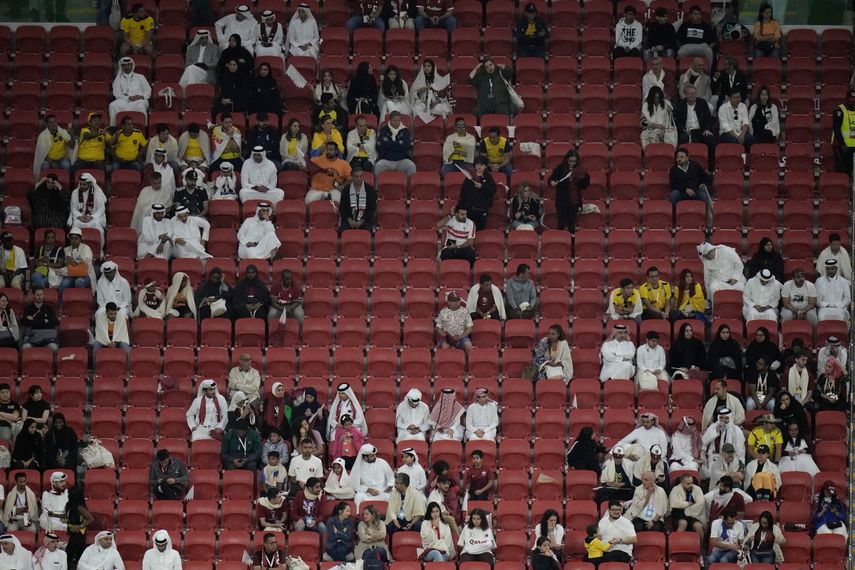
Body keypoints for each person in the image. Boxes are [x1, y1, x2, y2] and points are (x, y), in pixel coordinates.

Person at [548, 149, 589, 233]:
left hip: (574, 200)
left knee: (571, 224)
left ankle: (571, 240)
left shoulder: (579, 170)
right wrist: (552, 182)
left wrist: (584, 178)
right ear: (567, 159)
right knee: (561, 224)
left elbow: (583, 186)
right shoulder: (560, 168)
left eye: (574, 161)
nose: (572, 163)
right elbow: (550, 180)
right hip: (561, 200)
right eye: (570, 161)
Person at [109, 57, 151, 126]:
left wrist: (141, 97)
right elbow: (117, 94)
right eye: (124, 65)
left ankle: (143, 127)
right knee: (113, 105)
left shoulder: (140, 77)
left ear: (132, 65)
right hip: (124, 100)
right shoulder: (118, 79)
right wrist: (128, 98)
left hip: (139, 100)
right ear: (121, 66)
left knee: (141, 105)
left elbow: (148, 90)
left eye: (128, 64)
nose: (126, 67)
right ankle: (113, 128)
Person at [702, 408, 746, 473]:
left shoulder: (736, 430)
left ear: (730, 418)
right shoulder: (713, 427)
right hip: (715, 457)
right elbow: (705, 441)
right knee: (713, 473)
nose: (724, 420)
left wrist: (741, 465)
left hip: (731, 458)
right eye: (721, 418)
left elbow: (740, 451)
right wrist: (716, 430)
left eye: (726, 418)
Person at [384, 472, 426, 539]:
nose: (395, 485)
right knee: (389, 527)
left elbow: (419, 513)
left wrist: (411, 523)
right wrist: (394, 520)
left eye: (397, 483)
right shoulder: (393, 493)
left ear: (403, 485)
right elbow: (391, 509)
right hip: (398, 520)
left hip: (412, 521)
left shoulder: (415, 494)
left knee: (420, 526)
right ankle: (391, 545)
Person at [459, 157, 497, 231]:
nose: (479, 166)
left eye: (481, 165)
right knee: (468, 229)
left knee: (480, 230)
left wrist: (482, 186)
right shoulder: (469, 176)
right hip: (469, 209)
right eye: (477, 164)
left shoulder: (488, 177)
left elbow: (493, 190)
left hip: (482, 209)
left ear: (485, 166)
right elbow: (463, 192)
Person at [68, 173, 107, 245]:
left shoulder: (97, 193)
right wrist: (80, 216)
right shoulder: (75, 193)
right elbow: (73, 208)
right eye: (81, 184)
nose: (82, 186)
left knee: (97, 226)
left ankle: (100, 249)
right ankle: (74, 248)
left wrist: (91, 217)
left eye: (84, 184)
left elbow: (101, 209)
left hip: (94, 217)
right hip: (81, 217)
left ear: (89, 184)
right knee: (75, 225)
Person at [669, 146, 712, 212]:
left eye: (682, 157)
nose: (679, 159)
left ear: (687, 158)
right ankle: (674, 216)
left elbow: (705, 177)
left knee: (703, 195)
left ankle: (705, 216)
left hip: (695, 190)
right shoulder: (673, 169)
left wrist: (702, 184)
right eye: (677, 157)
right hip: (682, 192)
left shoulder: (695, 165)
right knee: (674, 195)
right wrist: (685, 189)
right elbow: (673, 185)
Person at [674, 84, 715, 149]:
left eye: (695, 93)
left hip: (701, 130)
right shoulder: (680, 106)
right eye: (691, 93)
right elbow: (678, 122)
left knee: (709, 138)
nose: (694, 95)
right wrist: (683, 130)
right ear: (685, 94)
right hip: (687, 131)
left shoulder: (702, 103)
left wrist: (707, 129)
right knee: (683, 138)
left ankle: (710, 156)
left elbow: (708, 118)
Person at [339, 166, 377, 232]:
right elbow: (342, 208)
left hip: (365, 221)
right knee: (341, 231)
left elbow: (372, 209)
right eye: (356, 176)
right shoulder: (346, 190)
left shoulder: (370, 190)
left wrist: (361, 221)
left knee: (368, 230)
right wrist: (350, 220)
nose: (359, 179)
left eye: (360, 176)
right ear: (352, 177)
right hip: (349, 220)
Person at [816, 258, 851, 323]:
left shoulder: (843, 281)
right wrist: (827, 305)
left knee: (841, 317)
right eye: (828, 269)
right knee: (822, 317)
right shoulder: (819, 281)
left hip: (840, 308)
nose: (830, 271)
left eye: (832, 268)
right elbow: (817, 300)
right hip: (824, 308)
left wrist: (837, 305)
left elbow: (847, 299)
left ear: (836, 269)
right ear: (825, 269)